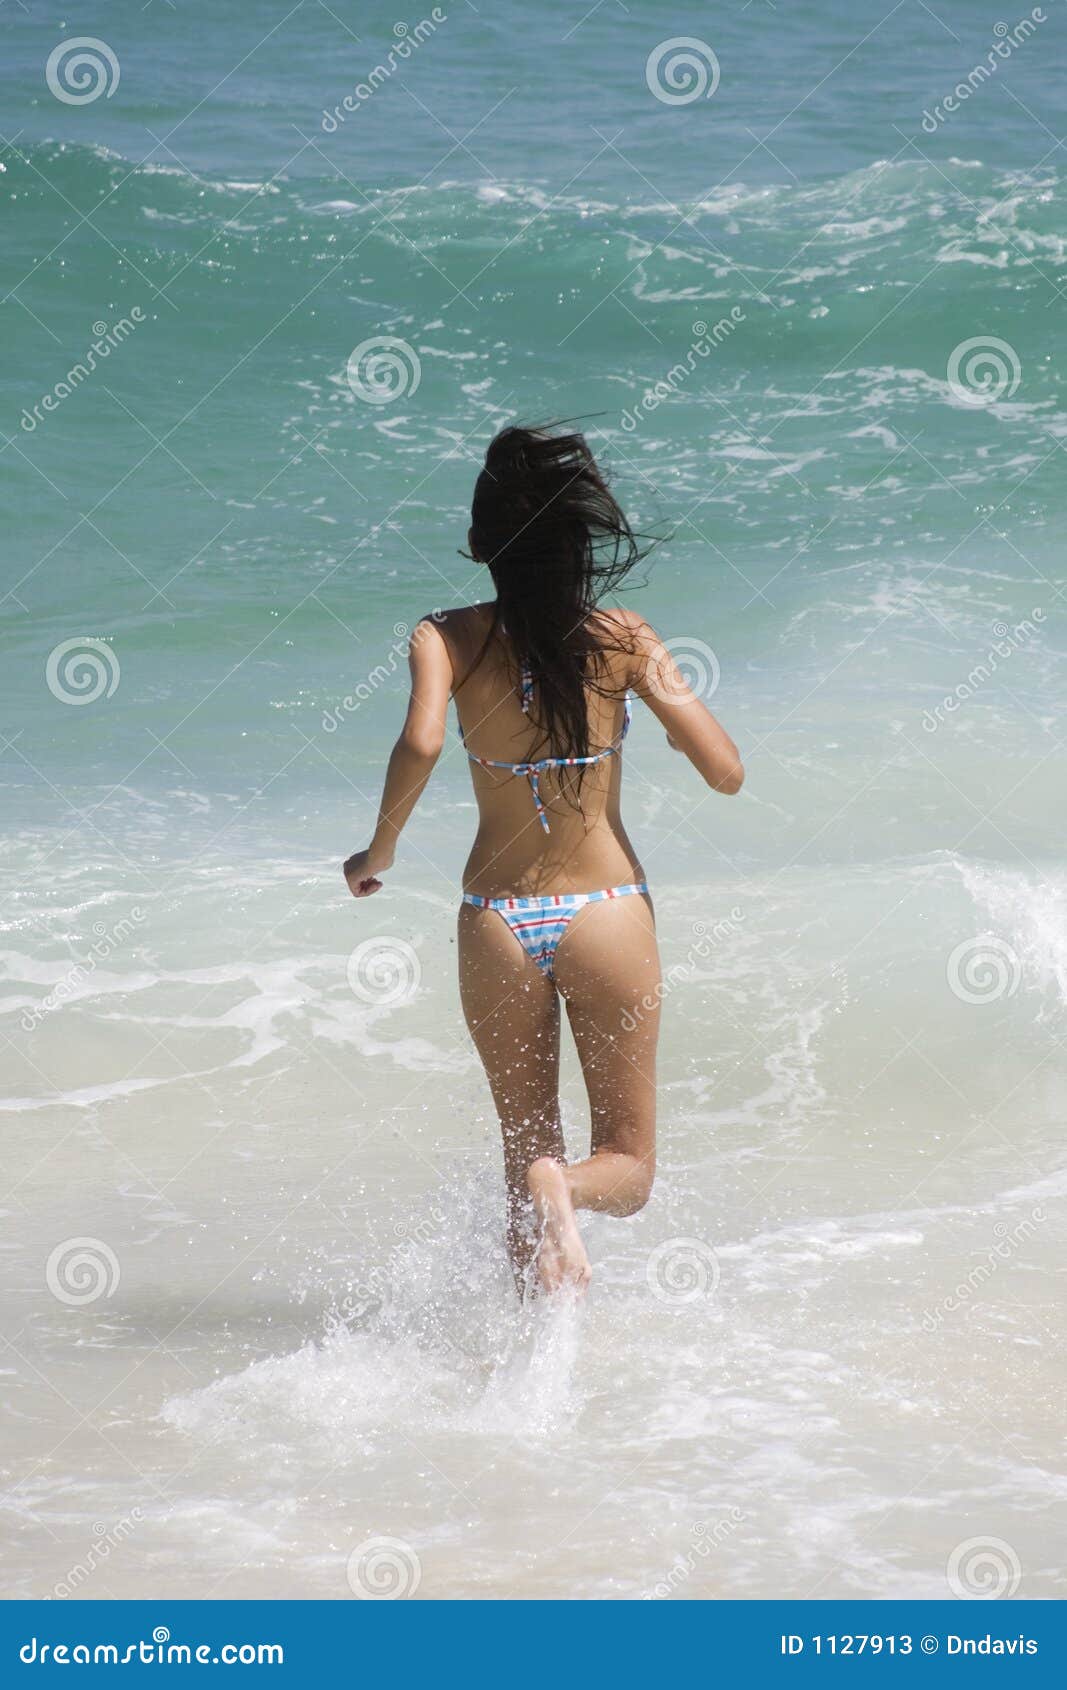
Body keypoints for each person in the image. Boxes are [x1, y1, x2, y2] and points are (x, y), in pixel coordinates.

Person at [344, 425, 743, 1295]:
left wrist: (379, 852)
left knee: (523, 1156)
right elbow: (725, 771)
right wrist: (662, 733)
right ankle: (563, 1193)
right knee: (625, 1169)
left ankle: (529, 1375)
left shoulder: (443, 635)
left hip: (496, 921)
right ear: (580, 548)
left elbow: (418, 743)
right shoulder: (624, 635)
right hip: (606, 909)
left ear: (482, 546)